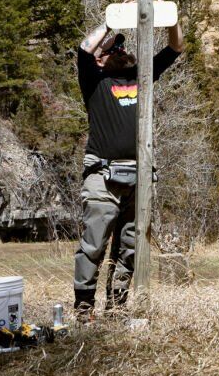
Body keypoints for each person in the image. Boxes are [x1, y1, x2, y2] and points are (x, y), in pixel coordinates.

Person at [73, 17, 182, 321]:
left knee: (130, 247)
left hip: (140, 177)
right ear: (100, 57)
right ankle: (83, 309)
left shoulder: (141, 76)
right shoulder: (94, 80)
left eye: (123, 46)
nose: (120, 50)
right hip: (102, 176)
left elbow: (176, 47)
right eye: (112, 48)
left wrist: (172, 20)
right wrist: (110, 23)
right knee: (94, 244)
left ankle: (117, 308)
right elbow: (83, 50)